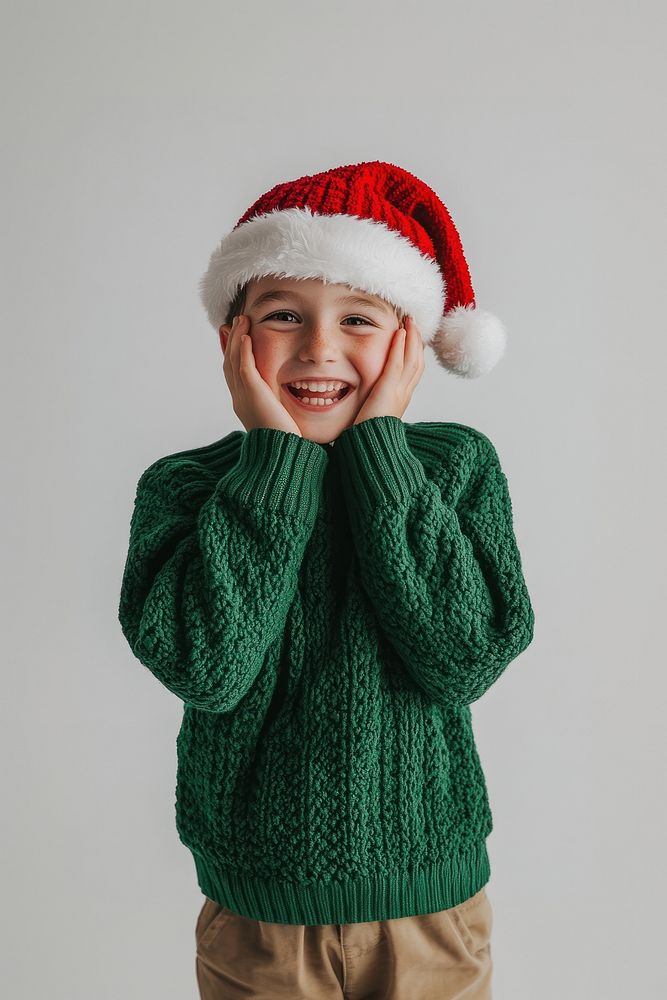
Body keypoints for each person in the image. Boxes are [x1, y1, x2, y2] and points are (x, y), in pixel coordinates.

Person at [118, 160, 536, 999]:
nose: (319, 348)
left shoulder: (452, 470)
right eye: (282, 315)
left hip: (431, 904)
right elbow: (207, 665)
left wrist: (380, 453)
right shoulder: (188, 489)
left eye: (358, 318)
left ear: (409, 343)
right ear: (232, 337)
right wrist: (273, 464)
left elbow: (464, 658)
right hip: (258, 914)